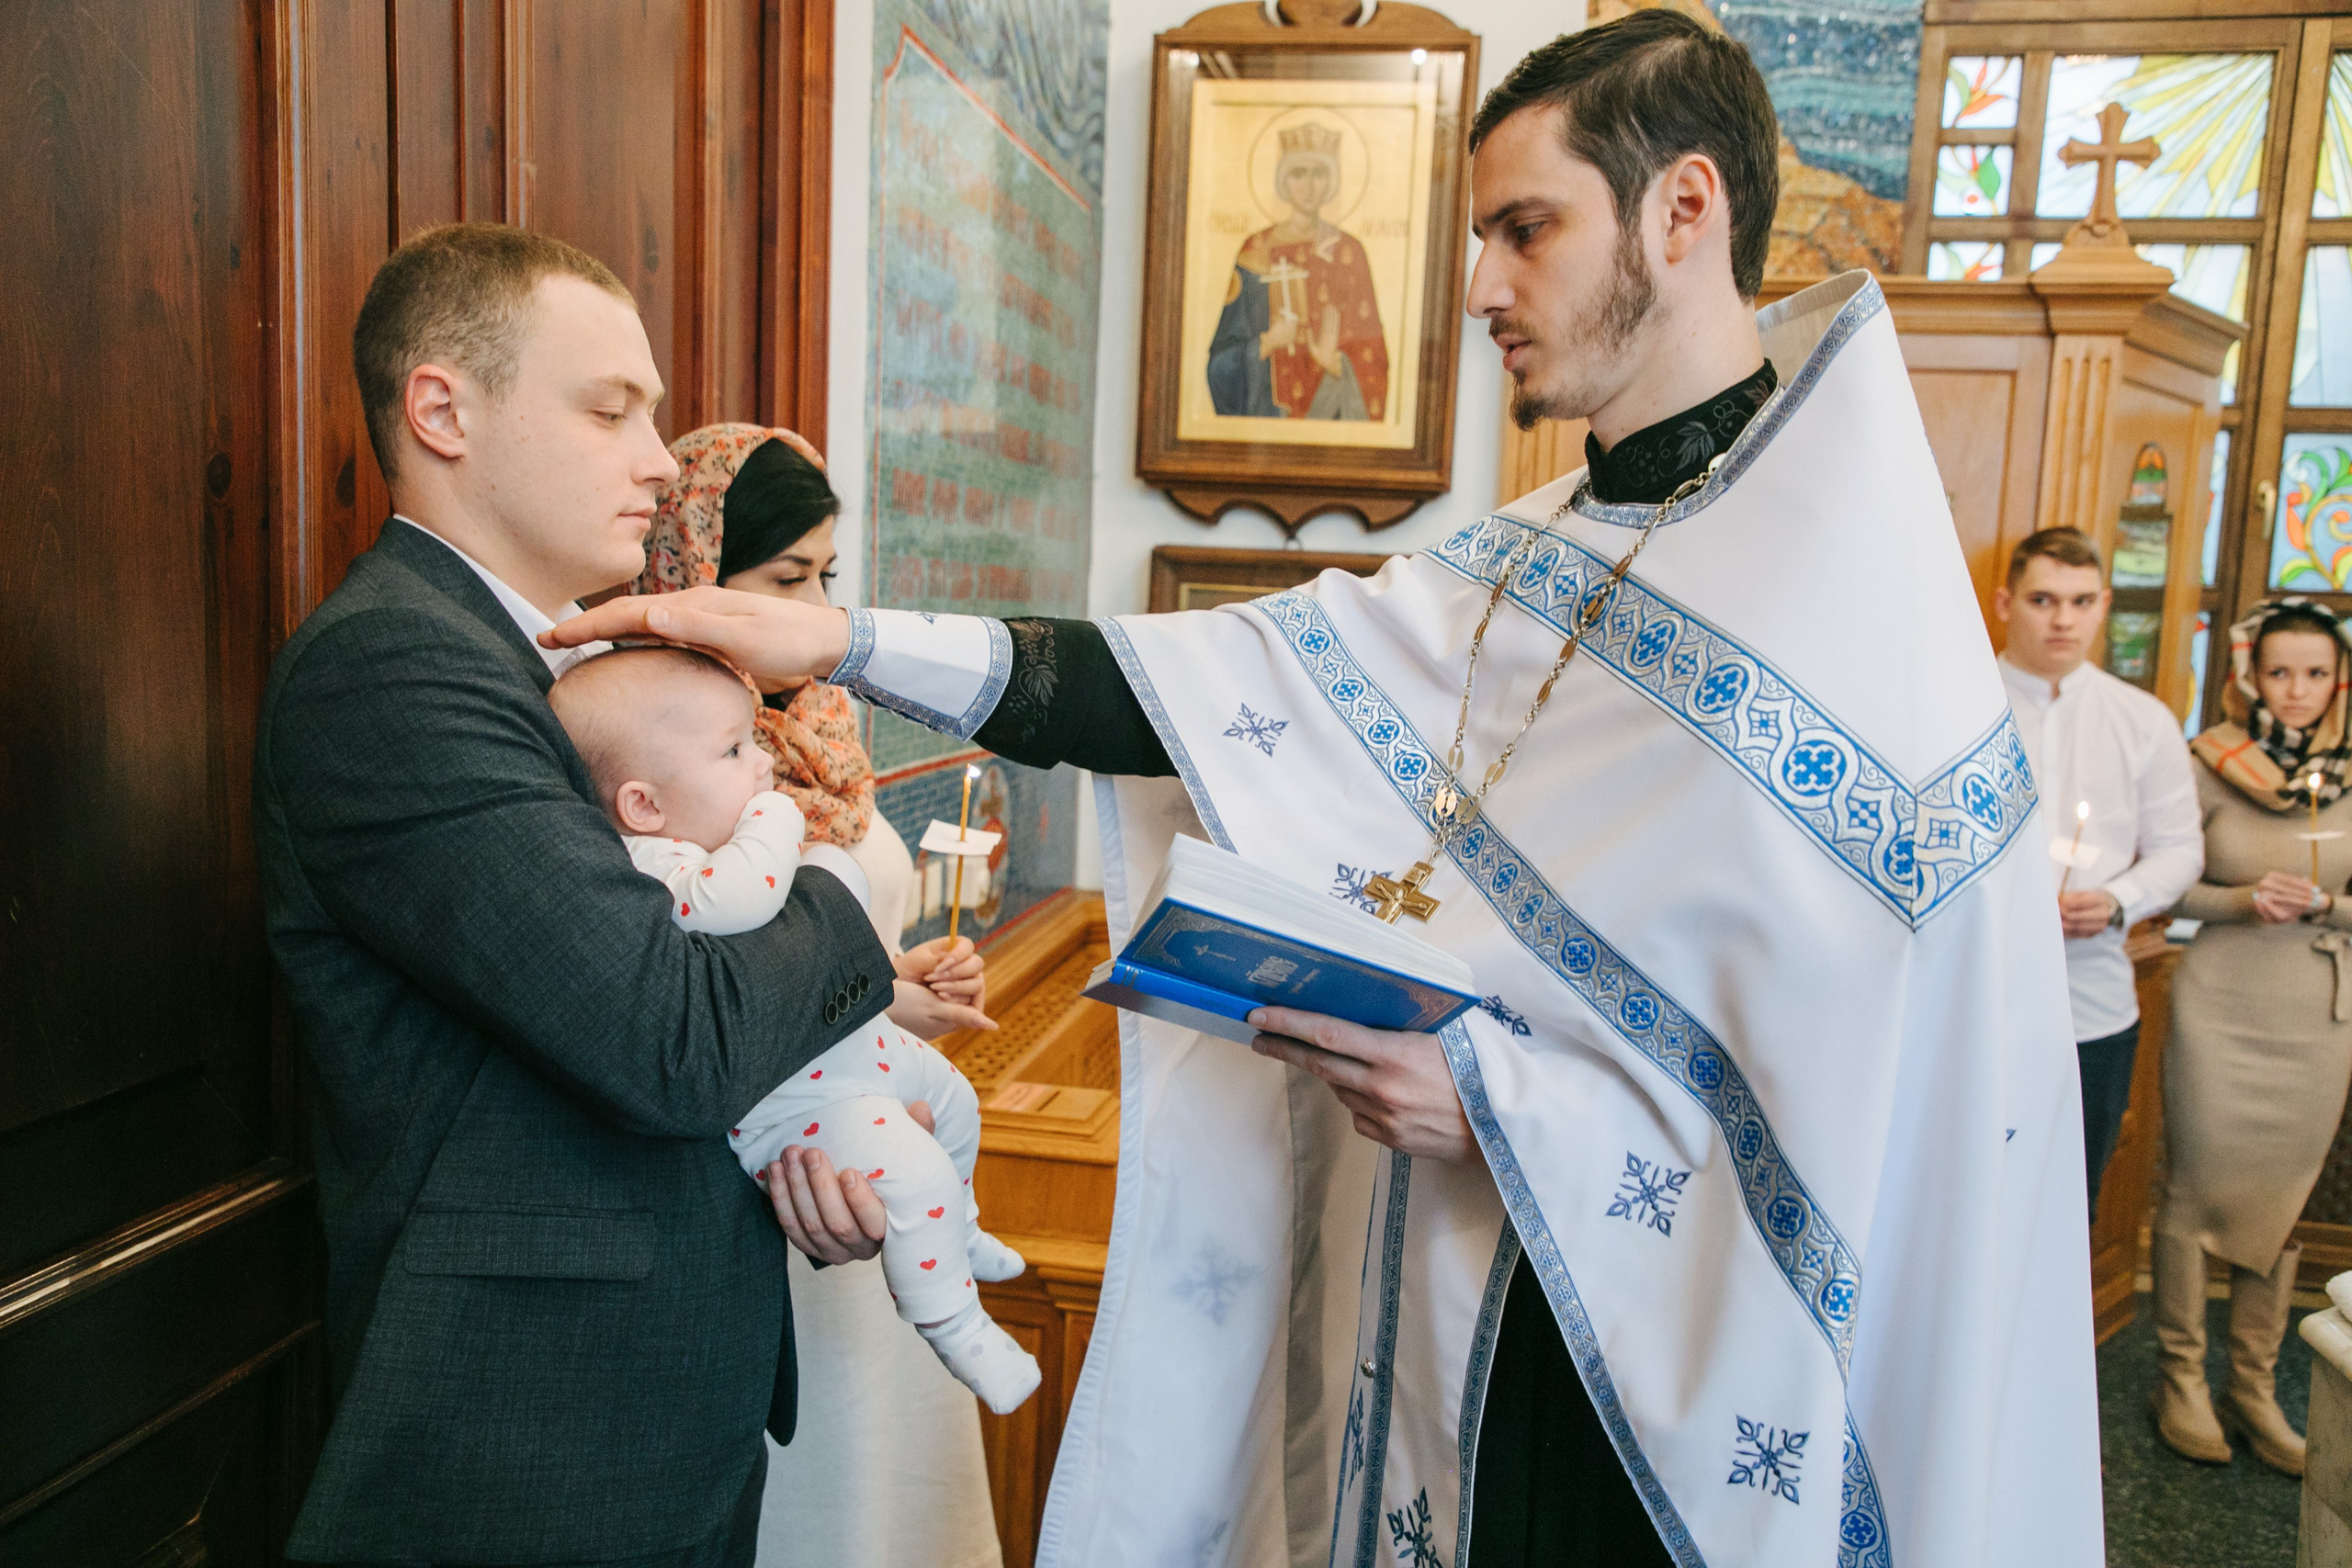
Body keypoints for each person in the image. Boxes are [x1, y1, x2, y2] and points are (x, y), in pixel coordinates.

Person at [551, 14, 2102, 1567]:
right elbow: (1188, 687)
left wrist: (1504, 1109)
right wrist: (846, 638)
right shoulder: (1528, 562)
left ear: (1683, 209)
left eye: (1526, 229)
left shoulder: (1856, 631)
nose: (1481, 285)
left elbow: (1868, 1125)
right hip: (1456, 1319)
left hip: (1685, 1428)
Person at [254, 221, 899, 1568]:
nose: (661, 460)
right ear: (444, 409)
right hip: (530, 1436)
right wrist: (852, 883)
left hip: (658, 1399)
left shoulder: (554, 662)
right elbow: (671, 1034)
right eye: (612, 409)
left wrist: (800, 1139)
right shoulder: (392, 668)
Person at [635, 423, 1007, 1568]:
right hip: (789, 1174)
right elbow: (699, 975)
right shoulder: (660, 742)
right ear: (699, 574)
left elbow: (837, 943)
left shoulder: (824, 726)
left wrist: (909, 987)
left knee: (902, 1489)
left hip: (880, 1155)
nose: (811, 609)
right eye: (784, 579)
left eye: (826, 578)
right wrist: (868, 1000)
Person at [548, 645, 1041, 1413]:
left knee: (955, 1101)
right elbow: (746, 899)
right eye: (737, 751)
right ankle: (957, 1323)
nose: (763, 770)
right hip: (796, 1101)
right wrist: (797, 840)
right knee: (916, 1177)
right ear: (643, 804)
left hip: (843, 1049)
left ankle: (966, 1234)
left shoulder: (705, 838)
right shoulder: (656, 861)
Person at [2150, 597, 2352, 1476]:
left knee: (2283, 1196)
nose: (2297, 690)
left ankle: (2254, 1387)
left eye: (2315, 673)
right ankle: (2181, 1377)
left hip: (2316, 1010)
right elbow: (2165, 882)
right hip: (2220, 1002)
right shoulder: (2204, 763)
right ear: (2249, 674)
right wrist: (2241, 900)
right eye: (2281, 672)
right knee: (2195, 1189)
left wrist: (2330, 905)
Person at [1993, 528, 2202, 1213]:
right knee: (1970, 1200)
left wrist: (2117, 898)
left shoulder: (2142, 720)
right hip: (1979, 999)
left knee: (2070, 1197)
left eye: (2081, 601)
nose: (2062, 619)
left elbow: (2181, 849)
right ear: (2005, 602)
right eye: (2043, 599)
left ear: (2104, 605)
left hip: (2094, 1005)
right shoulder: (1958, 707)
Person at [1206, 121, 1389, 420]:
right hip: (1265, 422)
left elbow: (1375, 361)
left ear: (1331, 181)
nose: (1308, 185)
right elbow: (1219, 367)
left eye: (1319, 173)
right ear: (1283, 180)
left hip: (1326, 420)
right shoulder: (1254, 251)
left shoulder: (1348, 253)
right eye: (1298, 173)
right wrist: (1267, 343)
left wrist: (1335, 364)